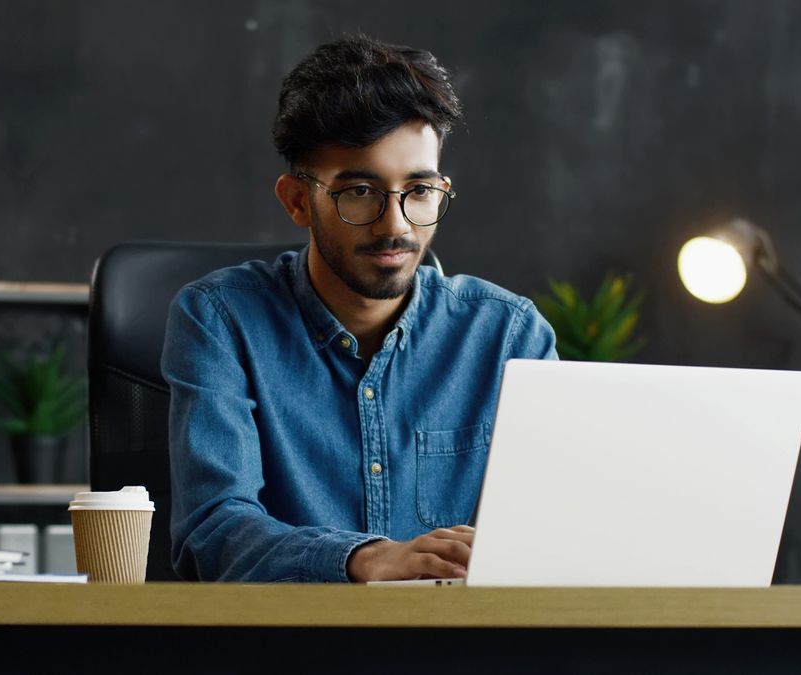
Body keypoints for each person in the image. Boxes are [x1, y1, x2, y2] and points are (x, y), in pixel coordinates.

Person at [163, 36, 557, 582]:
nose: (395, 224)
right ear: (298, 201)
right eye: (360, 192)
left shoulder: (510, 336)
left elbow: (550, 536)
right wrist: (364, 559)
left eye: (418, 190)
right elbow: (214, 531)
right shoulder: (221, 319)